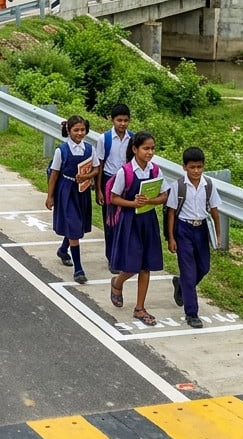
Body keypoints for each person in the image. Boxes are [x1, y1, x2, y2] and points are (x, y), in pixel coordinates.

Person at [107, 132, 169, 327]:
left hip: (148, 221)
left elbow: (164, 195)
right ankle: (118, 282)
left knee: (146, 265)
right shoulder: (124, 172)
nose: (150, 152)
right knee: (132, 264)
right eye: (146, 148)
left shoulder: (155, 171)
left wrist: (150, 200)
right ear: (135, 149)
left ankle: (140, 308)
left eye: (152, 148)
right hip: (129, 221)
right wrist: (132, 204)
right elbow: (114, 197)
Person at [164, 146, 223, 329]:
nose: (196, 171)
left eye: (199, 167)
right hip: (183, 229)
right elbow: (171, 213)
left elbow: (214, 211)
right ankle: (192, 313)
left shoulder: (209, 185)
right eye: (192, 167)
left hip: (201, 229)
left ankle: (181, 284)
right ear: (184, 167)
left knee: (204, 267)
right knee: (189, 271)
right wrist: (171, 238)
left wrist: (218, 235)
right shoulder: (178, 186)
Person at [45, 116, 98, 285]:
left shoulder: (90, 149)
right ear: (68, 131)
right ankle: (78, 269)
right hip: (66, 190)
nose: (79, 133)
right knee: (74, 226)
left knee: (77, 223)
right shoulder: (62, 150)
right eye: (76, 130)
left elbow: (96, 168)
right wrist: (50, 196)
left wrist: (87, 176)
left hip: (81, 191)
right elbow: (54, 174)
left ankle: (63, 250)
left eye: (82, 130)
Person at [95, 103, 133, 273]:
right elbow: (100, 164)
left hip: (126, 182)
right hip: (109, 181)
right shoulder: (104, 139)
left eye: (125, 120)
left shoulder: (132, 139)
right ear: (112, 120)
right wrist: (99, 189)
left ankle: (123, 256)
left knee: (124, 221)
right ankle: (111, 257)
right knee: (110, 221)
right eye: (119, 120)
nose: (122, 124)